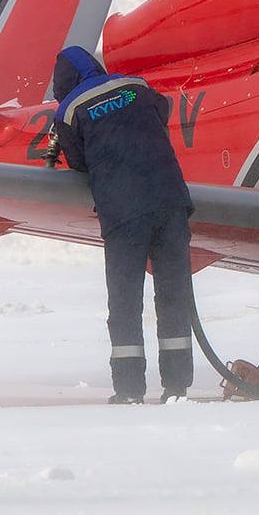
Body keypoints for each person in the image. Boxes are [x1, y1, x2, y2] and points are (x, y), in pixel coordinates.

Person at [46, 45, 195, 404]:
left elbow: (79, 162)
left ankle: (129, 390)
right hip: (170, 200)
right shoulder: (136, 86)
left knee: (126, 301)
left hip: (124, 212)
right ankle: (177, 386)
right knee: (174, 295)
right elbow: (161, 112)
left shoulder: (69, 110)